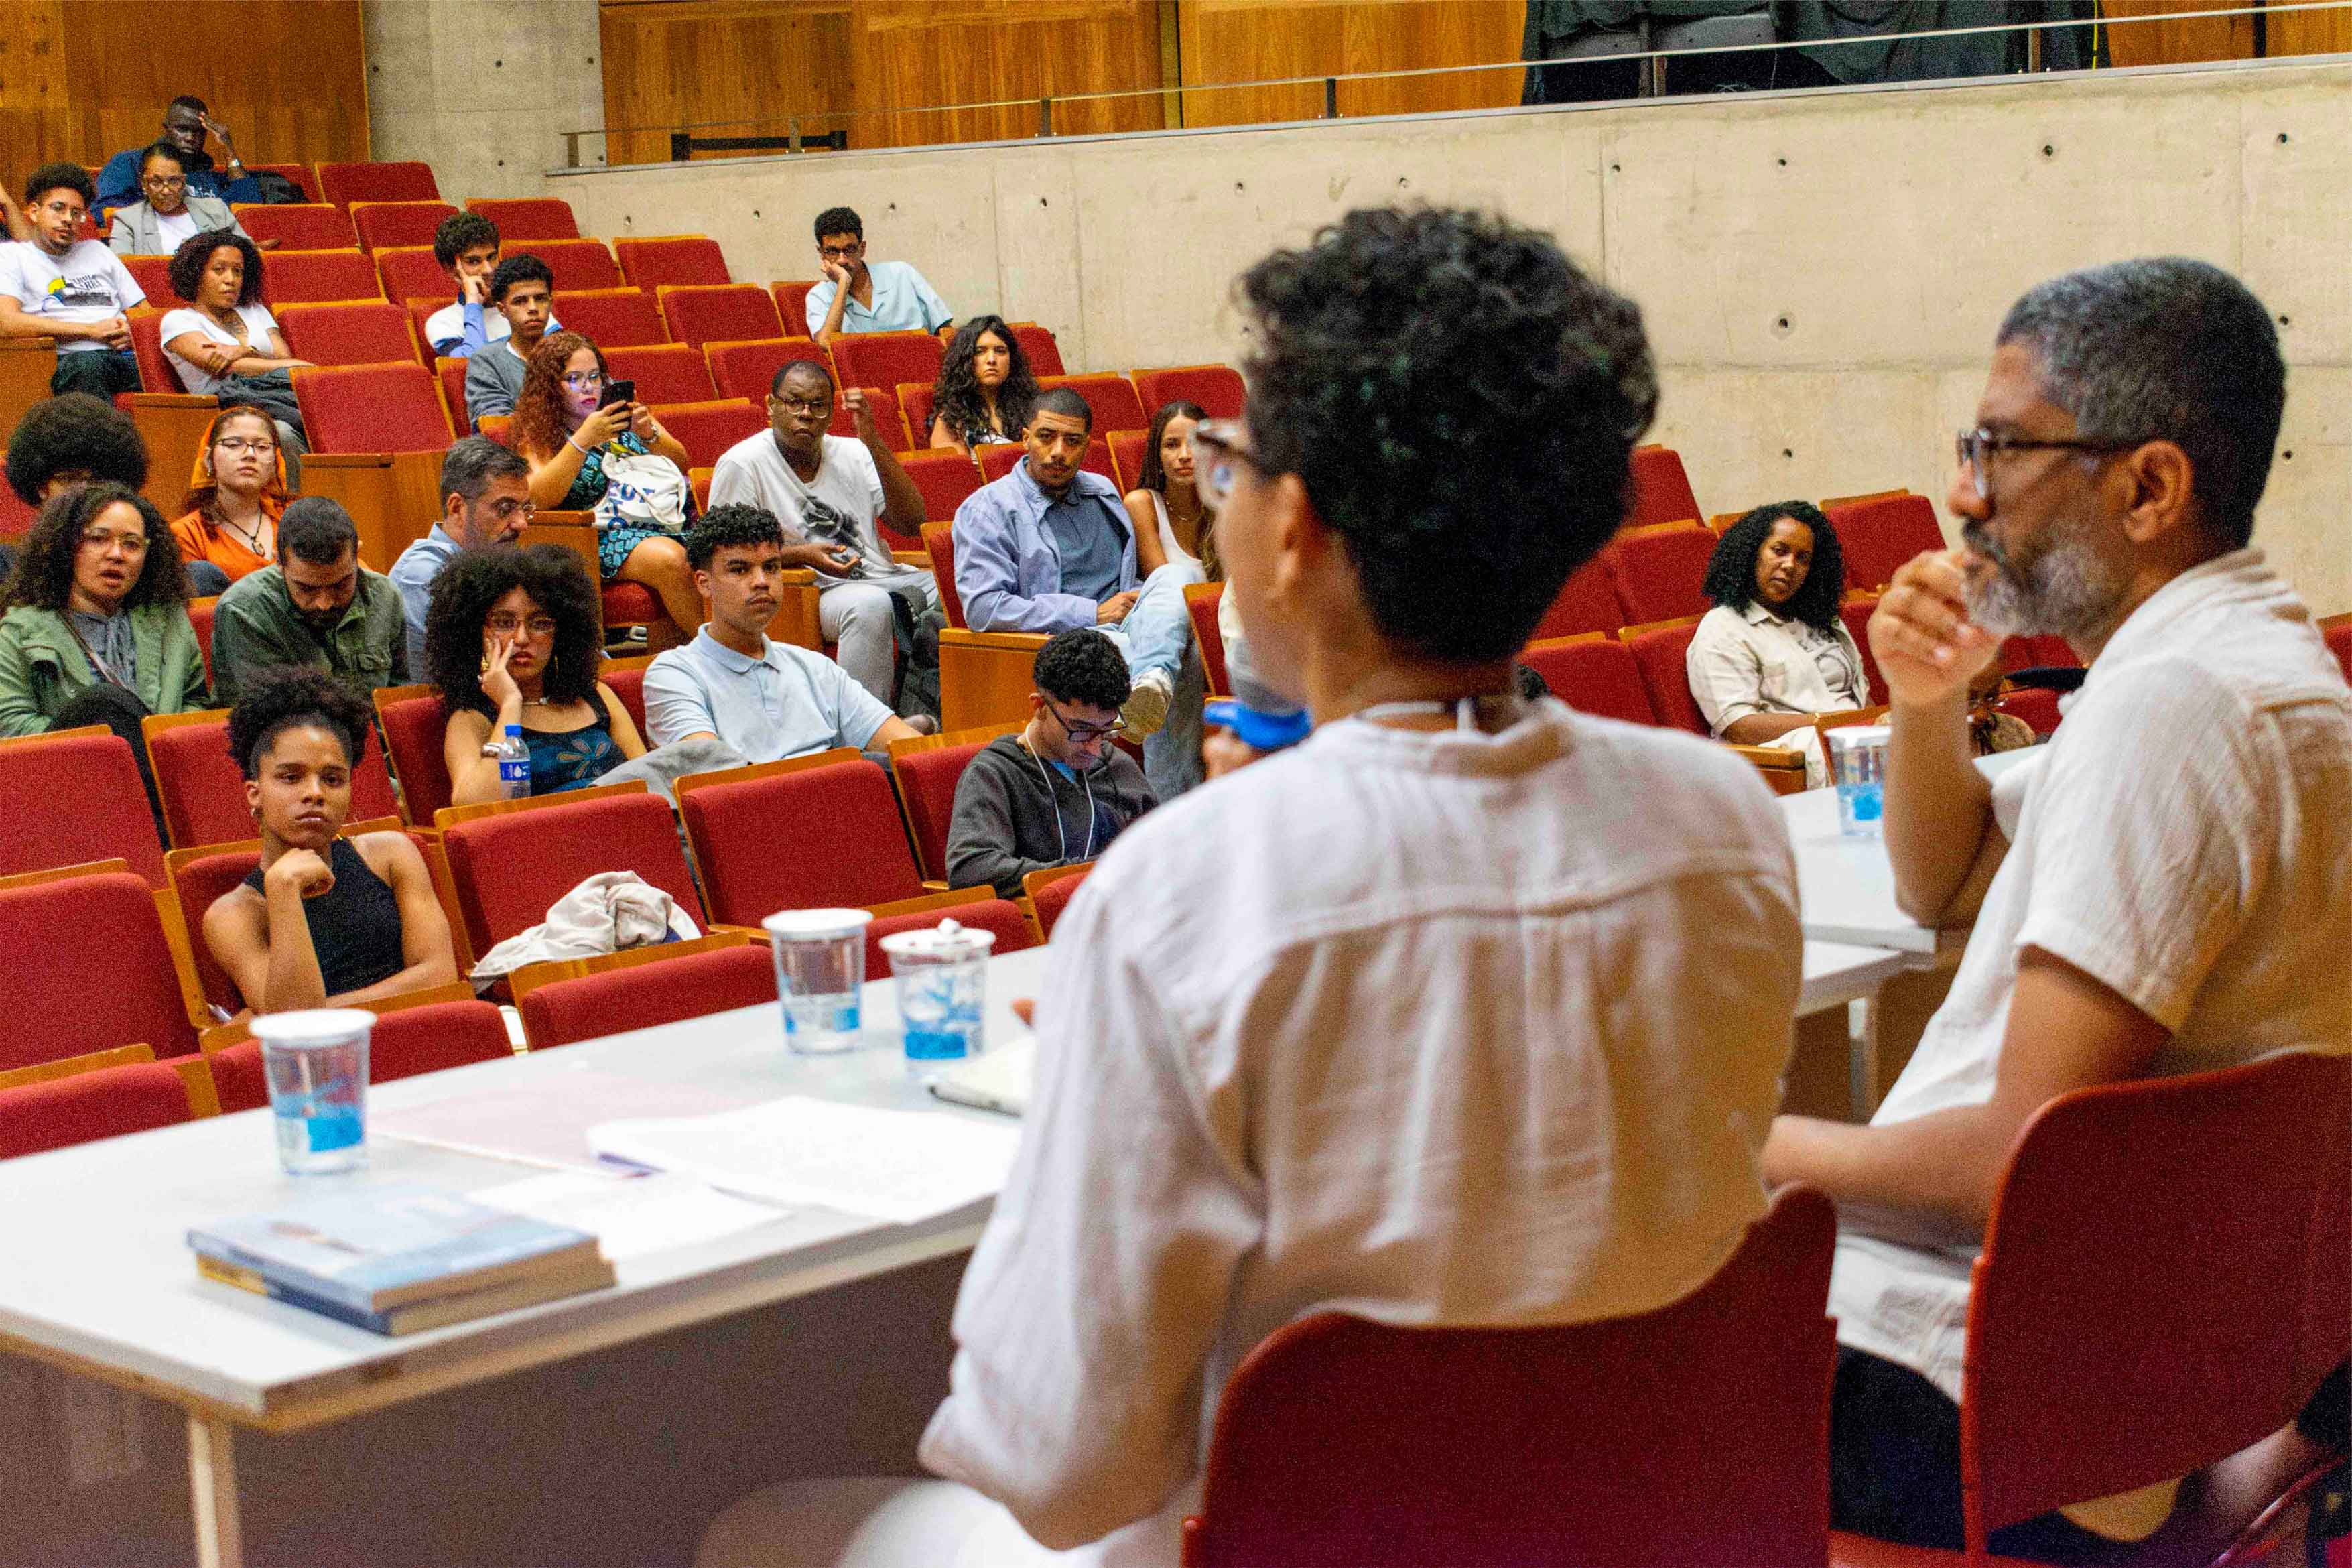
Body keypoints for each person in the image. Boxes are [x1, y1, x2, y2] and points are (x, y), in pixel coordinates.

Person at [699, 207, 1803, 1568]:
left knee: (756, 1530)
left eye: (1237, 460)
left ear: (1294, 530)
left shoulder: (1182, 895)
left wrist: (1102, 1091)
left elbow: (1062, 1470)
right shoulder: (1727, 824)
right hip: (1636, 1534)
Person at [1760, 258, 2352, 1563]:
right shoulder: (2260, 663)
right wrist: (1925, 704)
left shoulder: (2174, 710)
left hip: (1956, 1382)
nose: (1963, 492)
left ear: (2149, 487)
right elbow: (1945, 880)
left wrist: (1747, 1146)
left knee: (1488, 1375)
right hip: (2127, 1391)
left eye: (1999, 450)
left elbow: (2020, 1161)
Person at [954, 386, 1199, 795]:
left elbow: (1129, 578)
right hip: (1066, 641)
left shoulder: (1101, 492)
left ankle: (1153, 681)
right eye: (1046, 437)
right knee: (1166, 660)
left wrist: (1139, 599)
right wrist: (1090, 613)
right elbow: (984, 608)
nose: (1058, 452)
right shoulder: (989, 509)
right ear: (1024, 436)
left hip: (1127, 624)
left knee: (1176, 580)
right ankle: (1165, 800)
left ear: (1088, 444)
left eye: (1072, 441)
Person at [200, 669, 457, 1017]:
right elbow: (296, 1028)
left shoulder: (391, 853)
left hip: (423, 1031)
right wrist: (283, 891)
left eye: (333, 779)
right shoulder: (233, 914)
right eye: (291, 777)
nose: (315, 793)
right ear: (255, 793)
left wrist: (321, 1011)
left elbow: (441, 979)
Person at [708, 357, 939, 713]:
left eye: (817, 406)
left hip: (881, 577)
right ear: (771, 406)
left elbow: (912, 522)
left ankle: (928, 708)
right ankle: (866, 731)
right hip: (807, 590)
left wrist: (873, 442)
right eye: (794, 403)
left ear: (831, 414)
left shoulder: (853, 452)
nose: (805, 414)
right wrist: (803, 555)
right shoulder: (743, 463)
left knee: (960, 586)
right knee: (868, 606)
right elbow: (723, 551)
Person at [641, 504, 921, 761]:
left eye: (771, 567)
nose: (761, 582)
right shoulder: (673, 675)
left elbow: (909, 747)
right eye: (740, 569)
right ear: (704, 584)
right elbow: (713, 778)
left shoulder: (813, 667)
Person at [510, 331, 704, 644]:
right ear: (550, 387)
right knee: (672, 560)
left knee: (715, 552)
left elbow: (680, 463)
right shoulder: (538, 433)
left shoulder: (622, 416)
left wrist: (649, 433)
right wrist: (583, 439)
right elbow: (537, 498)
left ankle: (676, 665)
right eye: (573, 378)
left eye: (594, 376)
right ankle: (722, 652)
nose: (588, 387)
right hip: (589, 537)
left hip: (656, 520)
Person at [426, 545, 646, 803]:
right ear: (476, 632)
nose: (521, 638)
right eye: (504, 623)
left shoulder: (597, 698)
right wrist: (510, 704)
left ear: (562, 632)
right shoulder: (472, 719)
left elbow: (648, 781)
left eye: (540, 623)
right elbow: (475, 806)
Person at [945, 629, 1155, 898]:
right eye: (1081, 729)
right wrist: (1090, 872)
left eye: (1105, 730)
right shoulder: (994, 774)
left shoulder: (1118, 766)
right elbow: (971, 870)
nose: (1093, 747)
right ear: (1040, 707)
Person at [0, 482, 208, 738]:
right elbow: (11, 725)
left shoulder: (169, 619)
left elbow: (196, 703)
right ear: (67, 546)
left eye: (132, 544)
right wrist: (102, 743)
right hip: (74, 768)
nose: (116, 554)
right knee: (103, 701)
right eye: (98, 539)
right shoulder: (20, 630)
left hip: (163, 768)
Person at [1687, 499, 1870, 785]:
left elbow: (1861, 697)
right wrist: (1832, 725)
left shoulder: (1824, 621)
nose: (1790, 565)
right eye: (1780, 551)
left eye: (1803, 558)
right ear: (1752, 554)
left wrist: (1878, 724)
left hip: (1854, 740)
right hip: (1787, 759)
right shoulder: (1723, 627)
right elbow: (1740, 728)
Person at [208, 497, 406, 707]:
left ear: (358, 554)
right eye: (306, 589)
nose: (325, 603)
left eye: (340, 585)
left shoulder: (386, 596)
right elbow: (264, 720)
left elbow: (400, 704)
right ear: (279, 564)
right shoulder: (244, 611)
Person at [158, 231, 309, 462]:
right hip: (225, 411)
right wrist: (282, 363)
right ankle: (297, 499)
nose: (230, 279)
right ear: (196, 273)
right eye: (219, 270)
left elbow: (285, 361)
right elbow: (226, 368)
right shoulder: (178, 320)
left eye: (237, 271)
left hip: (278, 397)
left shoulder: (255, 310)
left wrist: (245, 351)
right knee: (283, 433)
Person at [389, 437, 534, 674]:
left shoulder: (503, 561)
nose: (521, 524)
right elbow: (468, 679)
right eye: (505, 509)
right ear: (457, 508)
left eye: (525, 509)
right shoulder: (424, 576)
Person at [0, 165, 143, 398]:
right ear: (35, 212)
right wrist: (90, 331)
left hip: (124, 358)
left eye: (76, 213)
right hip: (69, 360)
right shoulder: (12, 256)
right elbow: (7, 322)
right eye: (58, 209)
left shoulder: (98, 250)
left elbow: (143, 313)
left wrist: (133, 332)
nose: (68, 219)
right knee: (86, 366)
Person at [1, 391, 150, 587]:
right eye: (70, 480)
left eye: (99, 482)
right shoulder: (7, 568)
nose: (86, 493)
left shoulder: (138, 568)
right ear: (41, 487)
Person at [170, 405, 291, 589]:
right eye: (234, 445)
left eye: (262, 447)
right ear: (209, 459)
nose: (250, 454)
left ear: (276, 462)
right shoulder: (187, 534)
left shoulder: (295, 520)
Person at [805, 206, 952, 347]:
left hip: (918, 364)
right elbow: (825, 344)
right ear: (821, 253)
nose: (842, 260)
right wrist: (843, 284)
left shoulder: (902, 273)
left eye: (849, 249)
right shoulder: (819, 295)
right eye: (832, 251)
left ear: (862, 249)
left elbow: (946, 331)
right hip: (863, 372)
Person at [95, 95, 261, 212]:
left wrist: (229, 150)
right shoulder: (130, 162)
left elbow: (249, 212)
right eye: (182, 129)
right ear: (166, 128)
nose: (190, 138)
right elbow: (106, 211)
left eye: (199, 132)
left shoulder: (209, 176)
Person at [105, 143, 249, 259]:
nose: (166, 191)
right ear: (143, 183)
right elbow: (121, 268)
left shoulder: (215, 210)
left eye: (174, 181)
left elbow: (247, 252)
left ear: (184, 181)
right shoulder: (128, 220)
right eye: (156, 182)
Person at [462, 255, 556, 428]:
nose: (533, 308)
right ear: (502, 309)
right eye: (520, 301)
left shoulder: (572, 352)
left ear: (551, 303)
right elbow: (498, 426)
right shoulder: (486, 362)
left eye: (541, 298)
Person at [1125, 399, 1212, 575]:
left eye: (1195, 443)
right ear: (1157, 455)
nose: (1185, 455)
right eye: (1172, 445)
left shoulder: (1224, 503)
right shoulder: (1141, 504)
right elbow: (1167, 588)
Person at [927, 315, 1037, 453]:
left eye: (1000, 351)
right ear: (966, 360)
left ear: (1012, 360)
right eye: (980, 352)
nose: (991, 359)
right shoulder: (951, 419)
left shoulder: (1034, 409)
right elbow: (957, 470)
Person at [422, 211, 505, 359]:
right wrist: (473, 302)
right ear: (450, 269)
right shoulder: (443, 323)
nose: (489, 269)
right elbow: (475, 364)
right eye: (474, 261)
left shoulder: (528, 306)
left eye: (492, 258)